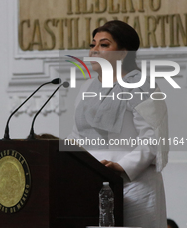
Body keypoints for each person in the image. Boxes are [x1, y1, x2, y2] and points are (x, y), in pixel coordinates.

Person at [67, 20, 168, 228]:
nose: (94, 50)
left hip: (135, 185)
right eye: (92, 44)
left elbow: (153, 139)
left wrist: (121, 166)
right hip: (94, 185)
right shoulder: (87, 87)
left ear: (123, 53)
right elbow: (78, 137)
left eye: (103, 45)